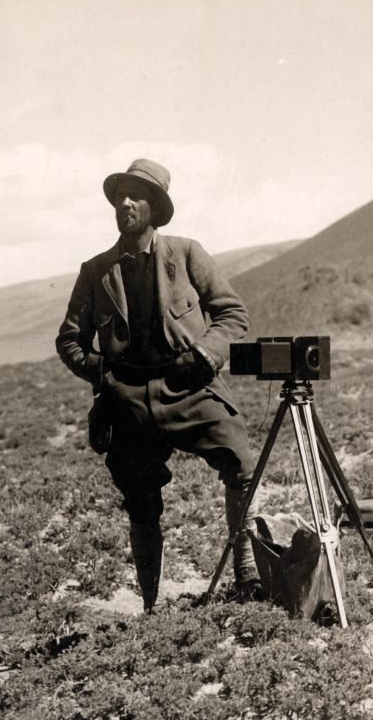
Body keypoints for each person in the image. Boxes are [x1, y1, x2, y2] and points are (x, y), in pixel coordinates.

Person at [56, 158, 259, 610]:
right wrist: (101, 373)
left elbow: (231, 314)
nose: (124, 203)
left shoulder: (186, 254)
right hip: (126, 398)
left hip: (187, 386)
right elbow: (69, 340)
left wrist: (204, 356)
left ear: (156, 206)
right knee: (139, 497)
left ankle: (247, 573)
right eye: (119, 196)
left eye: (136, 195)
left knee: (241, 463)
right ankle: (150, 603)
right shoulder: (95, 271)